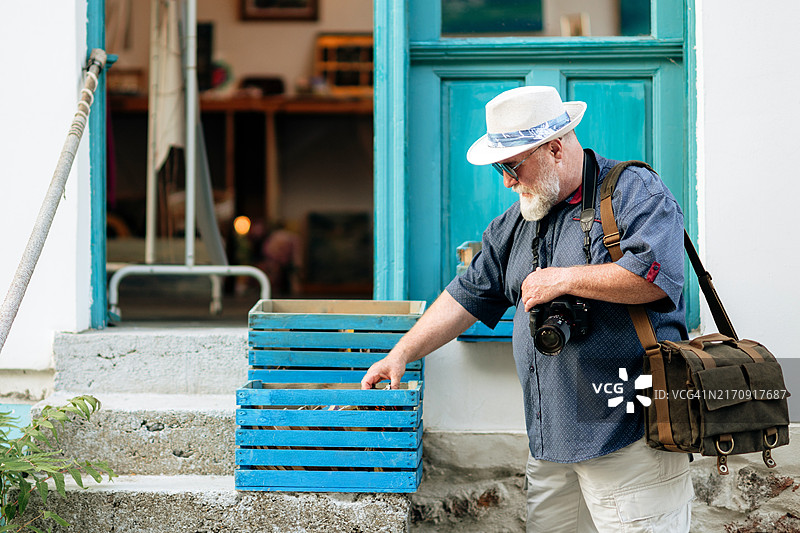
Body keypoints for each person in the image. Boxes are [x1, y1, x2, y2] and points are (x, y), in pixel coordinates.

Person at [361, 86, 694, 532]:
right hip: (550, 444)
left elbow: (657, 276)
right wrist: (401, 353)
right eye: (500, 167)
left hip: (630, 439)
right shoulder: (518, 221)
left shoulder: (634, 190)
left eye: (511, 165)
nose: (506, 181)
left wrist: (566, 277)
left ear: (555, 148)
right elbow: (465, 296)